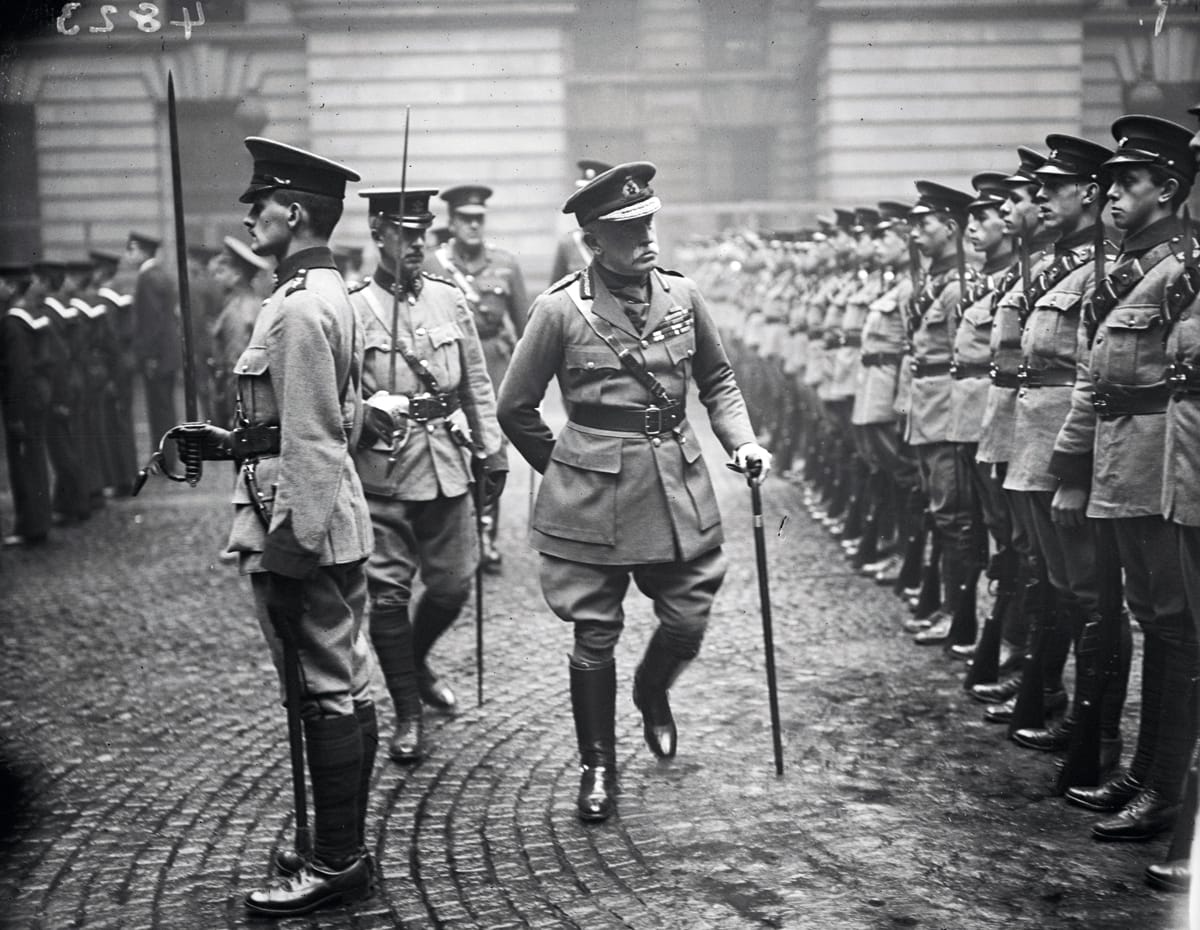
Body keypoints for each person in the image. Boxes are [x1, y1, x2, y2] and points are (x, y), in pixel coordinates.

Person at [496, 161, 771, 822]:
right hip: (591, 496)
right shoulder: (559, 310)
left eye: (649, 221)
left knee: (687, 617)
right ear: (592, 240)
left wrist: (742, 441)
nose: (646, 237)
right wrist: (566, 469)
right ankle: (598, 768)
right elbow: (515, 407)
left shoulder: (684, 296)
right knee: (594, 632)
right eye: (628, 229)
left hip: (674, 482)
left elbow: (720, 381)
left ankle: (652, 689)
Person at [174, 137, 377, 916]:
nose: (251, 215)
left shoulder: (298, 308)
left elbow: (318, 437)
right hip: (330, 511)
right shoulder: (336, 293)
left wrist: (289, 550)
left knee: (323, 686)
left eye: (260, 204)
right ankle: (339, 840)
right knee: (345, 678)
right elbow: (324, 418)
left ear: (294, 212)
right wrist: (230, 441)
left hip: (301, 521)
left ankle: (334, 860)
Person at [1053, 115, 1198, 844]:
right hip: (1119, 464)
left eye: (1126, 181)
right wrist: (1071, 465)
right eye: (1106, 182)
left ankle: (1164, 787)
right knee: (1152, 621)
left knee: (1173, 628)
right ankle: (1143, 775)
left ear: (1166, 188)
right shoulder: (1124, 267)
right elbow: (1091, 374)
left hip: (1162, 466)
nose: (1109, 193)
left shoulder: (1182, 267)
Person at [348, 186, 506, 761]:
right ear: (378, 235)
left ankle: (413, 661)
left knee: (452, 585)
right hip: (385, 472)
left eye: (421, 233)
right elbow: (342, 396)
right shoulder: (354, 306)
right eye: (403, 234)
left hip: (445, 464)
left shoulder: (448, 299)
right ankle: (407, 710)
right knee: (387, 597)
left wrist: (493, 452)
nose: (415, 243)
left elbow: (476, 383)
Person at [425, 183, 527, 573]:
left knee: (489, 452)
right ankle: (453, 537)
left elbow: (524, 326)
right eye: (465, 220)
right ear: (451, 223)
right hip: (447, 368)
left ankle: (485, 534)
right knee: (451, 450)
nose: (473, 226)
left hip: (493, 370)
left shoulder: (506, 264)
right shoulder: (433, 265)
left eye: (478, 220)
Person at [1, 263, 52, 547]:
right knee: (35, 461)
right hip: (36, 397)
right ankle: (38, 521)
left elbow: (19, 371)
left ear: (10, 287)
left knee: (24, 466)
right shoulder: (33, 317)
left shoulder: (12, 323)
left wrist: (16, 412)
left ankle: (30, 525)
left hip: (21, 403)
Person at [126, 231, 181, 473]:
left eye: (131, 250)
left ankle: (164, 460)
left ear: (142, 251)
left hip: (157, 356)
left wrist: (149, 357)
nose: (128, 256)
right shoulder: (160, 275)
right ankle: (167, 457)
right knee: (165, 409)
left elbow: (151, 323)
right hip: (166, 354)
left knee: (159, 410)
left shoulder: (148, 278)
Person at [207, 235, 270, 429]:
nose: (216, 277)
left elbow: (235, 366)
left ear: (237, 274)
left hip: (242, 401)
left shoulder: (237, 310)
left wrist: (231, 410)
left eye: (222, 271)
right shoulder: (255, 302)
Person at [549, 159, 611, 282]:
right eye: (584, 198)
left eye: (595, 197)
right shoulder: (569, 244)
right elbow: (554, 293)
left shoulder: (623, 240)